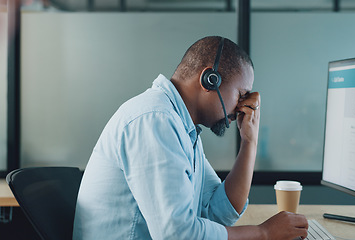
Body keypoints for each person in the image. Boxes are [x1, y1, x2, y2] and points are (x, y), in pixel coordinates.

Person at [73, 36, 308, 240]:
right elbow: (177, 235)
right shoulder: (155, 120)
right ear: (210, 80)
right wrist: (263, 234)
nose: (241, 107)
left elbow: (219, 212)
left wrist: (249, 143)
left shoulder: (183, 128)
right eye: (240, 94)